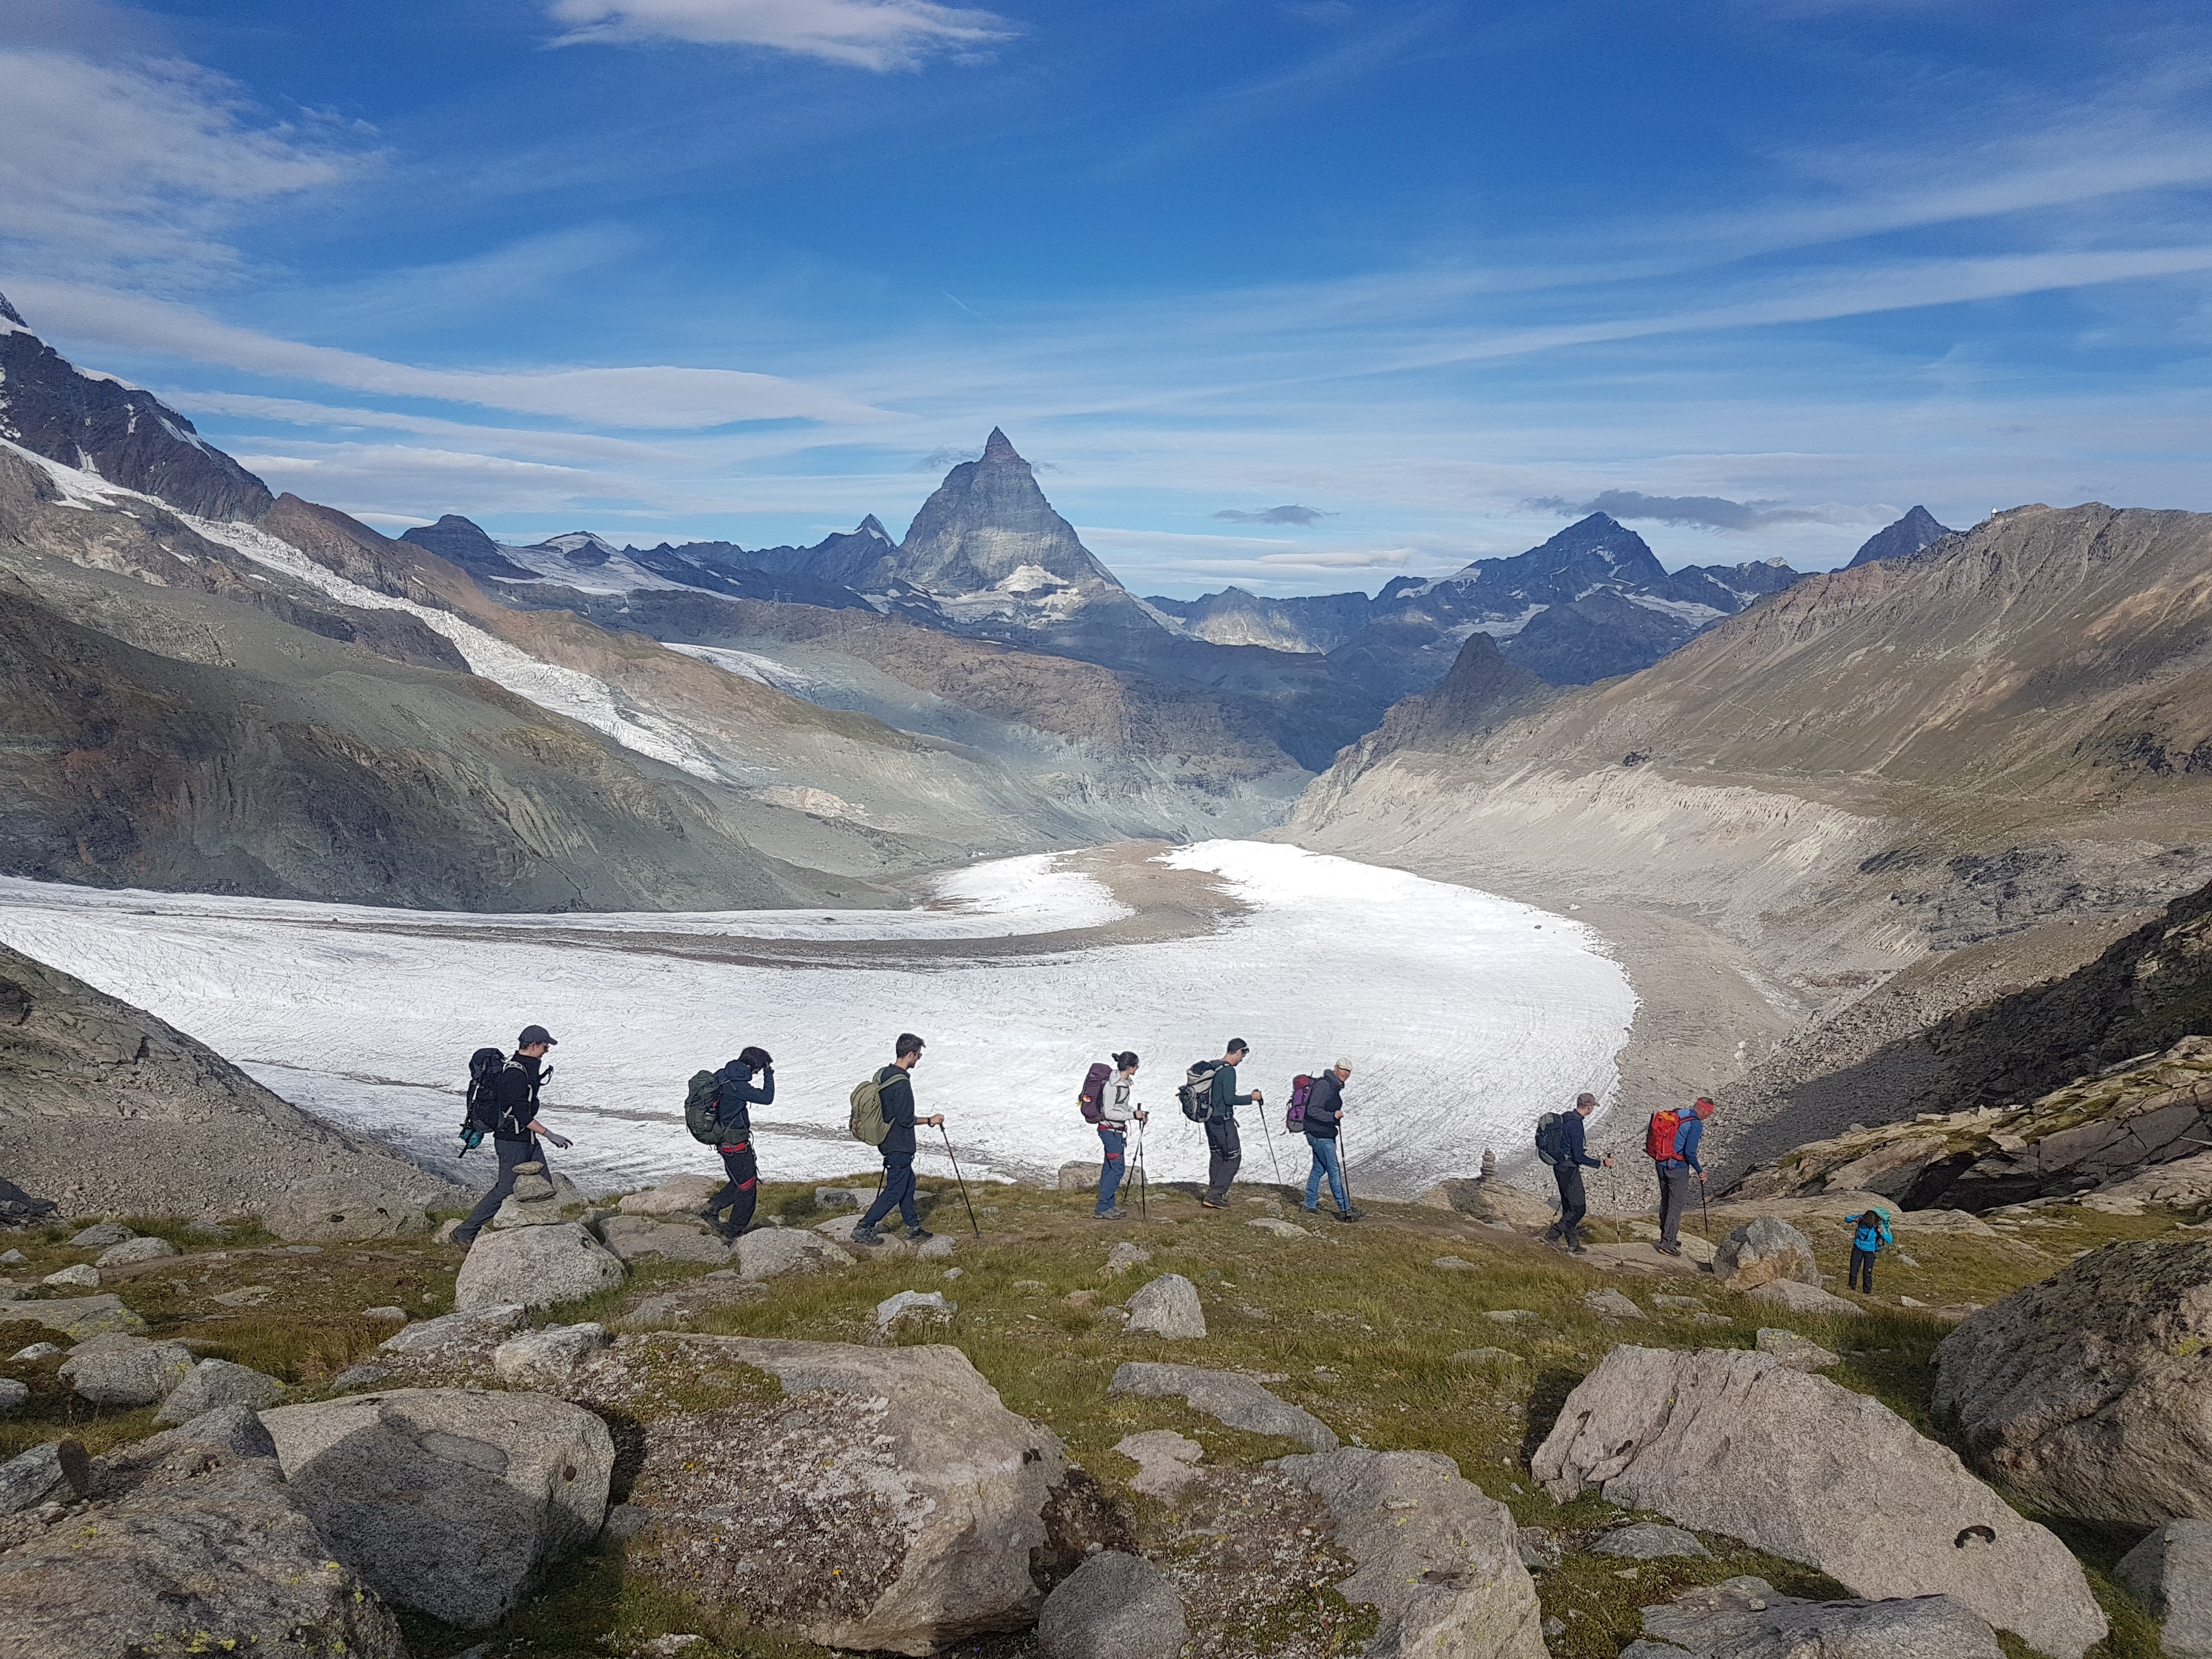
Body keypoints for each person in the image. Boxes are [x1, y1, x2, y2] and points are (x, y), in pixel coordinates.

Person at [452, 1024, 573, 1248]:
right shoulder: (515, 1074)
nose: (547, 1051)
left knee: (544, 1184)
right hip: (510, 1141)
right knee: (506, 1189)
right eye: (545, 1046)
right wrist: (550, 1135)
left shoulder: (526, 1068)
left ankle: (538, 1232)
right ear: (534, 1045)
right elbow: (521, 1114)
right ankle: (465, 1231)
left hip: (526, 1139)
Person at [853, 1033, 941, 1247]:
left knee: (908, 1184)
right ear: (910, 1054)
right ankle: (864, 1227)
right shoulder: (901, 1084)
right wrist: (931, 1120)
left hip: (887, 1141)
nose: (918, 1059)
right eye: (918, 1055)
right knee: (895, 1190)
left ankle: (913, 1227)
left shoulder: (884, 1074)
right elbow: (905, 1119)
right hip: (899, 1144)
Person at [701, 1046, 775, 1239]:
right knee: (748, 1187)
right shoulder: (738, 1086)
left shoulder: (722, 1075)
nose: (757, 1073)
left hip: (724, 1142)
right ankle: (733, 1231)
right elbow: (767, 1098)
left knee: (739, 1181)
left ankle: (712, 1208)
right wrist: (769, 1072)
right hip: (735, 1145)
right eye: (757, 1070)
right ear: (751, 1066)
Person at [1543, 1092, 1610, 1254]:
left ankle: (1573, 1243)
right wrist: (1601, 1163)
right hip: (1569, 1169)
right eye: (1593, 1106)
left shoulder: (1566, 1118)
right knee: (1579, 1208)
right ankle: (1553, 1235)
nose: (1592, 1109)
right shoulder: (1576, 1125)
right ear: (1589, 1107)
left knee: (1569, 1206)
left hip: (1559, 1166)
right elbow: (1579, 1156)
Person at [1199, 1040, 1262, 1210]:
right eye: (1243, 1055)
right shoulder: (1228, 1071)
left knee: (1218, 1155)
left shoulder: (1214, 1066)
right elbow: (1230, 1099)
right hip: (1223, 1121)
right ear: (1239, 1052)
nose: (1242, 1059)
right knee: (1234, 1157)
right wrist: (1252, 1098)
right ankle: (1215, 1194)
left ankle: (1214, 1191)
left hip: (1209, 1119)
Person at [1300, 1060, 1364, 1222]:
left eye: (1348, 1071)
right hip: (1320, 1135)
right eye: (1343, 1069)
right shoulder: (1325, 1085)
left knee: (1318, 1170)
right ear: (1336, 1069)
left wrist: (1332, 1135)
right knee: (1334, 1171)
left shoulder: (1333, 1085)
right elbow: (1313, 1110)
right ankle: (1345, 1211)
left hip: (1322, 1135)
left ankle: (1309, 1205)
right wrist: (1332, 1116)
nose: (1346, 1073)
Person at [1653, 1096, 1713, 1257]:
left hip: (1661, 1163)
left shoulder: (1679, 1113)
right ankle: (1667, 1244)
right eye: (1708, 1114)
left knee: (1666, 1200)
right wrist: (1700, 1171)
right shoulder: (1695, 1124)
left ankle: (1668, 1236)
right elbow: (1690, 1152)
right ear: (1703, 1110)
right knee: (1676, 1205)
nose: (1708, 1117)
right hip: (1677, 1168)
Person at [1094, 1052, 1145, 1220]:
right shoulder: (1113, 1086)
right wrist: (1132, 1116)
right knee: (1117, 1169)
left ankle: (1108, 1205)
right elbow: (1109, 1112)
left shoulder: (1122, 1084)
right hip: (1110, 1131)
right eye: (1136, 1065)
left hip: (1114, 1131)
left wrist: (1135, 1112)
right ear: (1129, 1067)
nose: (1137, 1068)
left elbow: (1121, 1106)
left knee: (1110, 1168)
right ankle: (1103, 1207)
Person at [1847, 1205, 1891, 1293]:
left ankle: (1867, 1292)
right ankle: (1851, 1289)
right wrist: (1853, 1219)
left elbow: (1889, 1240)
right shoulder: (1862, 1218)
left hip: (1870, 1251)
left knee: (1867, 1272)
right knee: (1854, 1269)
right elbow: (1847, 1219)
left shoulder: (1880, 1225)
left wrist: (1882, 1233)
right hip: (1858, 1248)